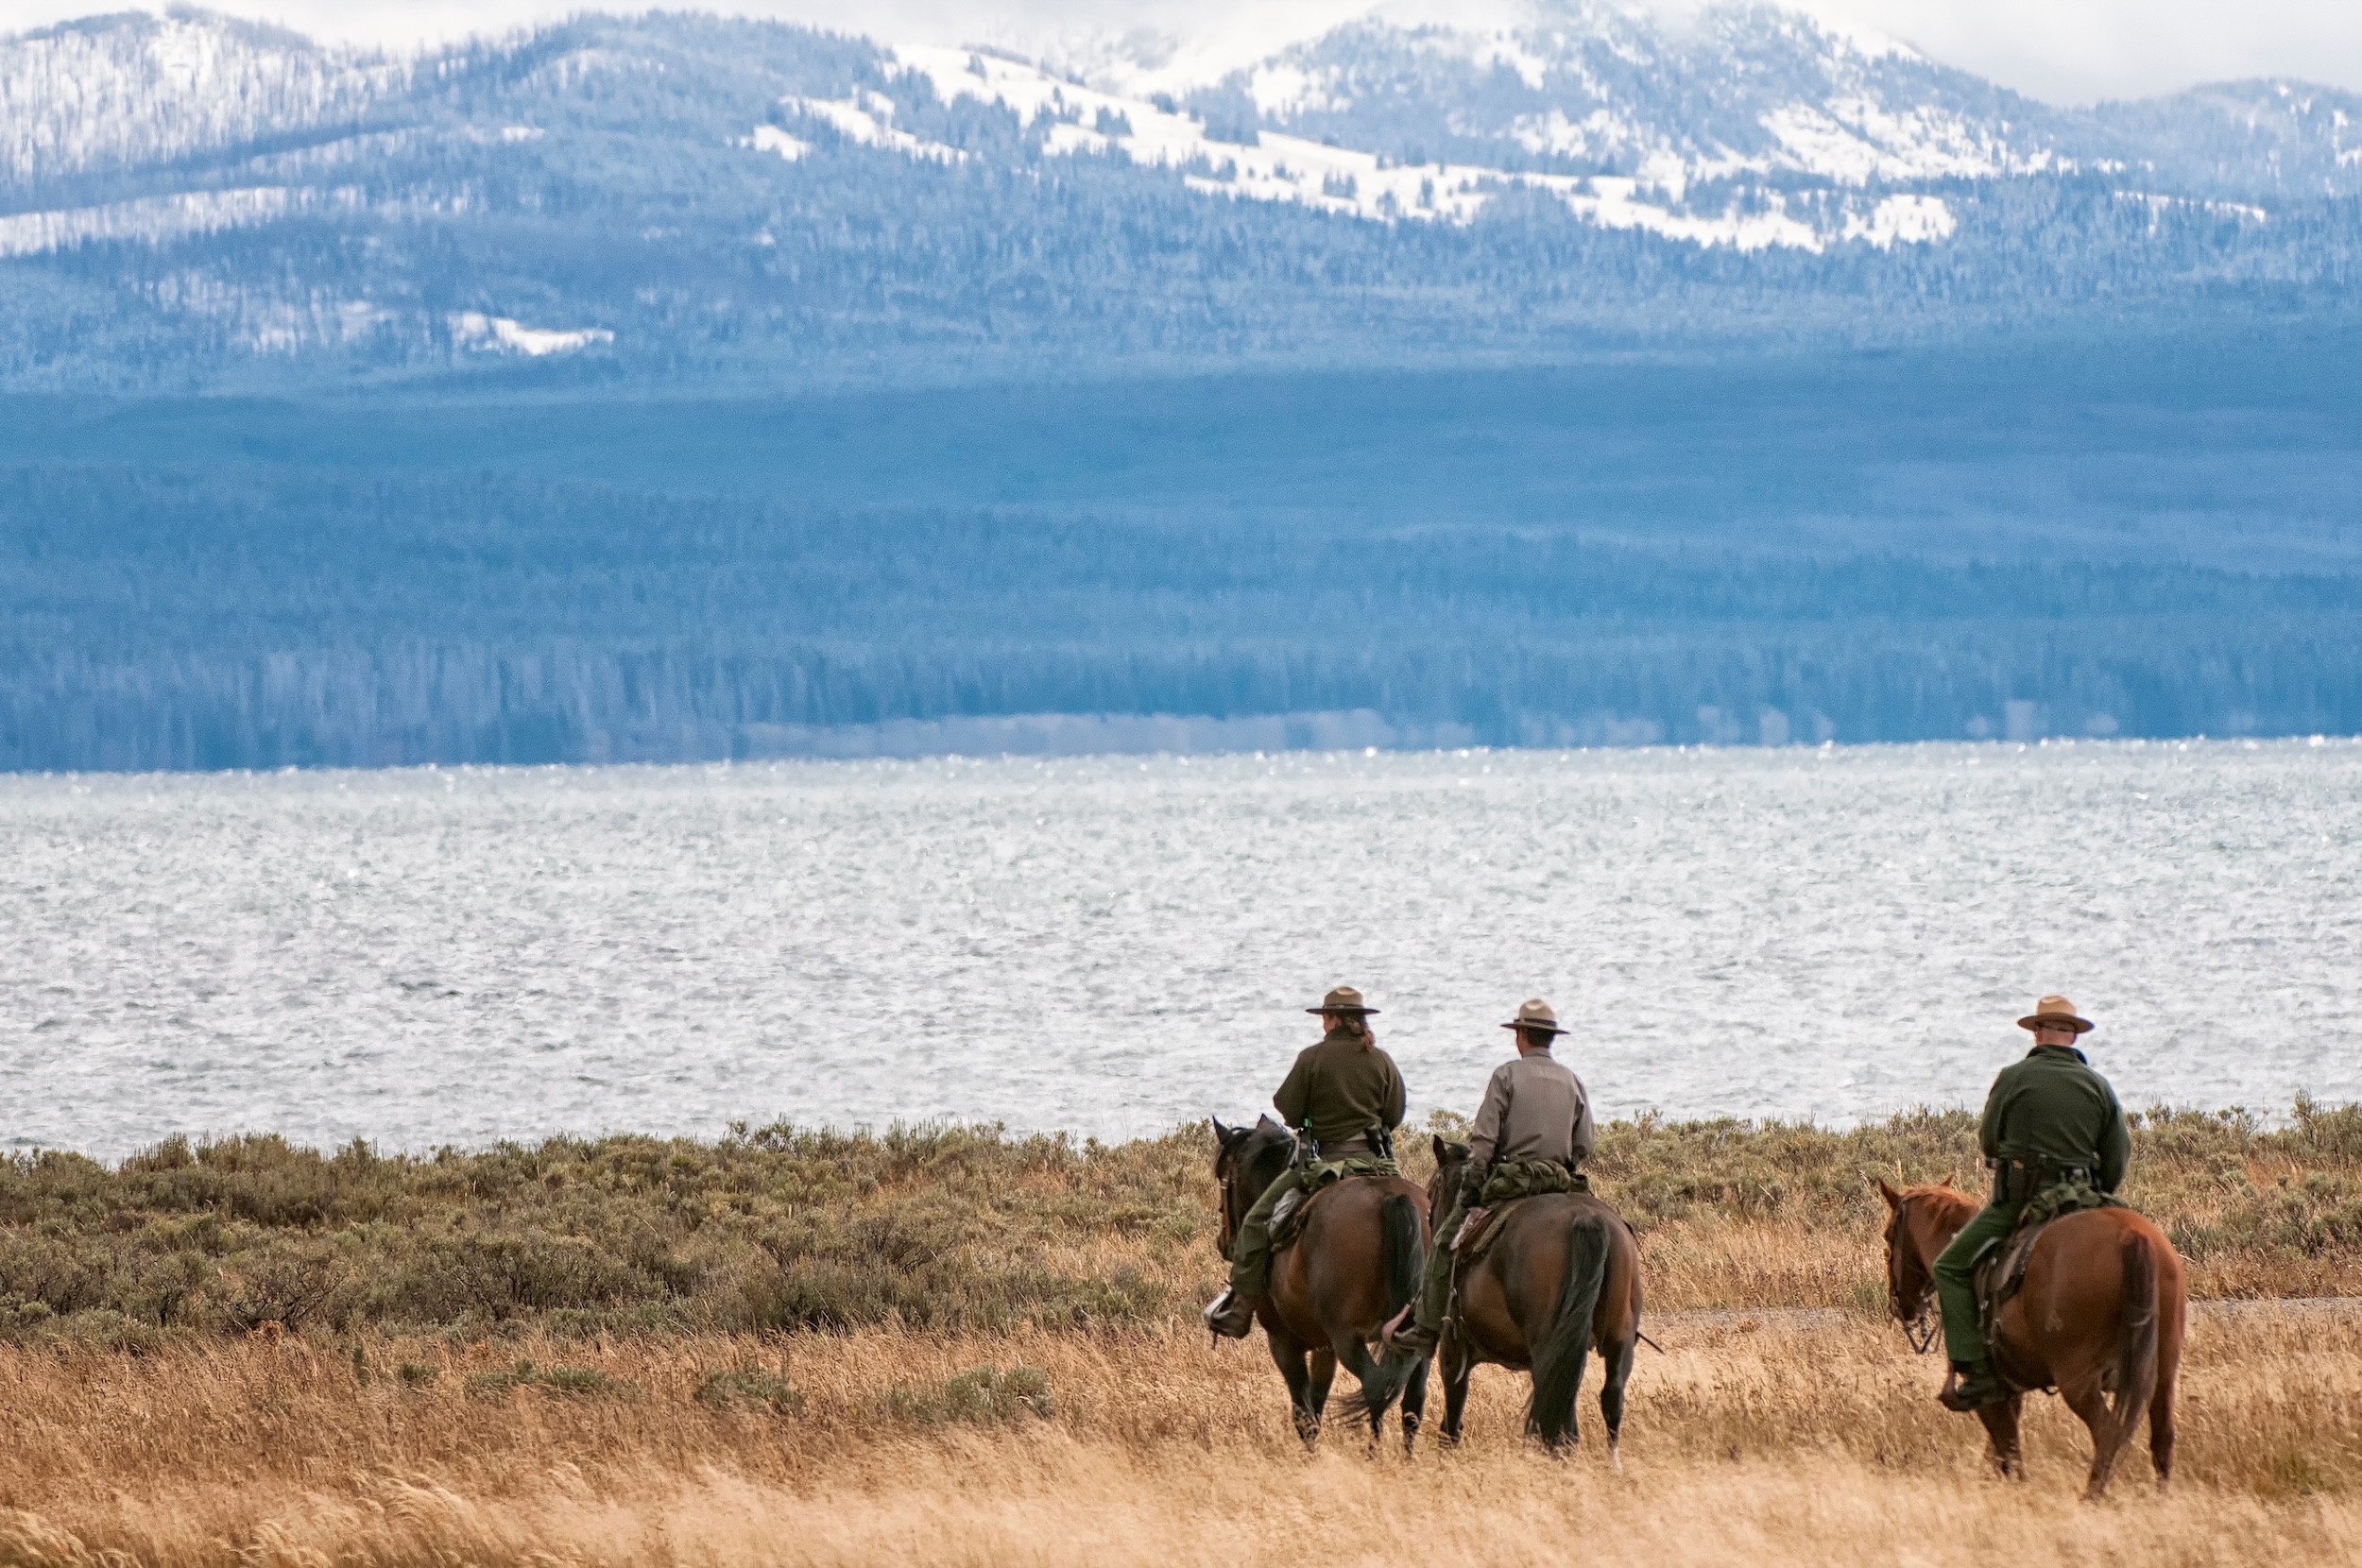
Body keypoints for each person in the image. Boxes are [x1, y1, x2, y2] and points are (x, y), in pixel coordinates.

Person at [1932, 994, 2132, 1412]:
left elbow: (1988, 1141)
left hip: (2018, 1203)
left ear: (2038, 1032)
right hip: (2087, 1200)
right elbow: (2116, 1156)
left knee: (1949, 1267)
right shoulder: (2098, 1086)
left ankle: (1978, 1370)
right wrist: (2099, 1191)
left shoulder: (2012, 1078)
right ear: (2073, 1035)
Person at [1381, 998, 1594, 1356]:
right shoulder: (1572, 1080)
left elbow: (1484, 1140)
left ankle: (1428, 1326)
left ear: (1522, 1035)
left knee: (1447, 1241)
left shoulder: (1506, 1075)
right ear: (1550, 1039)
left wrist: (1475, 1182)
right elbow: (1584, 1142)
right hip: (1559, 1180)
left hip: (1510, 1180)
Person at [1202, 985, 1408, 1338]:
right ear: (1359, 1020)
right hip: (1378, 1164)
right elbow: (1395, 1113)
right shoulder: (1381, 1059)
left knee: (1254, 1224)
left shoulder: (1312, 1058)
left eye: (1324, 1017)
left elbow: (1289, 1110)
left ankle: (1239, 1309)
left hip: (1323, 1163)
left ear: (1331, 1020)